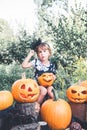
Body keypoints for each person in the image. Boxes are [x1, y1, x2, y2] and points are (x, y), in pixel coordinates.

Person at [22, 39, 57, 104]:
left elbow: (54, 76)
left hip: (48, 84)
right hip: (37, 85)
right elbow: (24, 65)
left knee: (50, 91)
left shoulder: (51, 64)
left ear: (49, 53)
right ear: (37, 54)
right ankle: (36, 106)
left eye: (44, 51)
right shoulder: (36, 62)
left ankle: (53, 105)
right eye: (40, 52)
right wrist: (30, 55)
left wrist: (53, 77)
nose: (42, 54)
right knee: (43, 91)